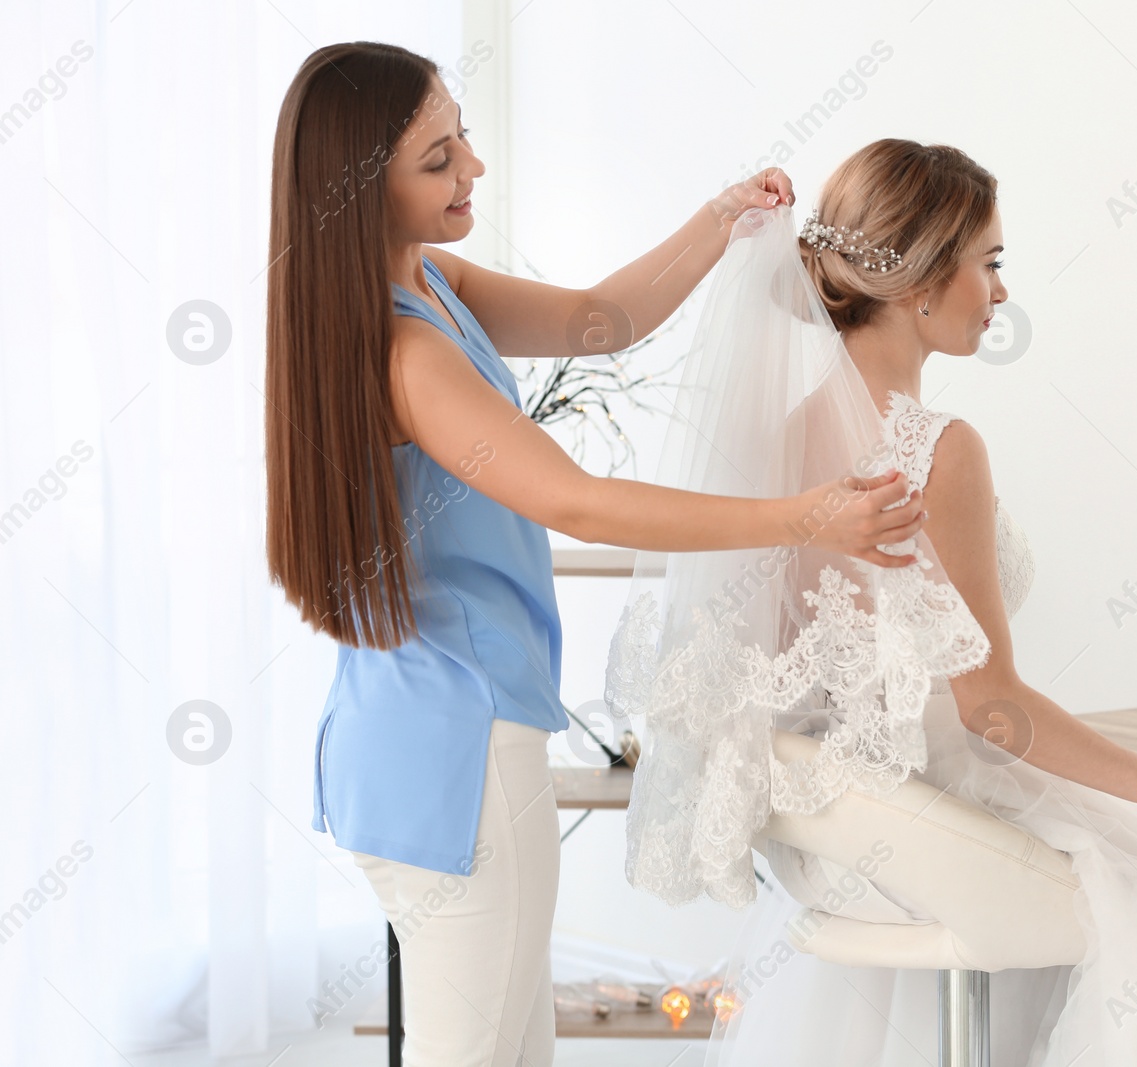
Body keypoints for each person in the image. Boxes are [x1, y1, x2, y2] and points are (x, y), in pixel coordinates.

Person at [606, 139, 1137, 1065]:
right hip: (929, 814)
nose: (1001, 293)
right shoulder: (938, 448)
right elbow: (992, 710)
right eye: (990, 263)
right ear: (920, 277)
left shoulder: (774, 443)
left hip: (834, 837)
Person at [263, 42, 927, 1067]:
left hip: (407, 735)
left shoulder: (428, 282)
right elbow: (577, 499)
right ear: (360, 192)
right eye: (437, 159)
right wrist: (804, 516)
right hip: (459, 752)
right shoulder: (409, 353)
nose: (471, 169)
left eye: (464, 139)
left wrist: (719, 220)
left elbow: (597, 320)